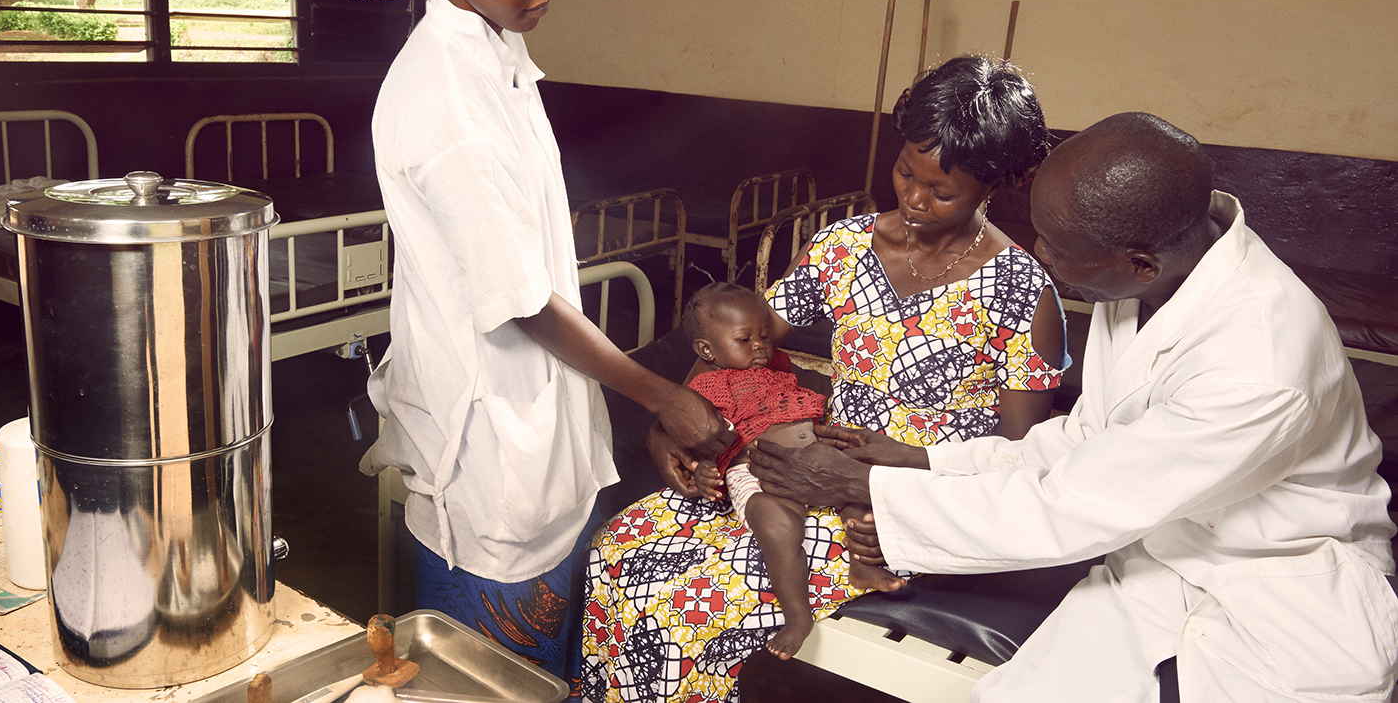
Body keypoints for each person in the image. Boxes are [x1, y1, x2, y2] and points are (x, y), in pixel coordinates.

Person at [749, 112, 1398, 703]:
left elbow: (1078, 503)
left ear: (1139, 261)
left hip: (1283, 592)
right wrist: (922, 459)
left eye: (1058, 246)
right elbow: (1086, 442)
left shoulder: (1260, 358)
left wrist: (872, 488)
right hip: (1156, 558)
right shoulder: (1145, 279)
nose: (1039, 255)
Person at [325, 0, 731, 680]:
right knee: (496, 680)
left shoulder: (496, 56)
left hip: (539, 445)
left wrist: (624, 419)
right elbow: (521, 299)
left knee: (545, 672)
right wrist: (663, 396)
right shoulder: (446, 102)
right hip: (488, 470)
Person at [581, 56, 1067, 703]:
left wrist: (889, 481)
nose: (914, 200)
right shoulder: (842, 248)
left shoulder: (1021, 293)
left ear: (992, 185)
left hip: (906, 511)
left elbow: (1021, 460)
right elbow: (741, 342)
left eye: (941, 190)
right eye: (905, 172)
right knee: (619, 550)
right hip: (806, 470)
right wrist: (674, 423)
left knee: (683, 606)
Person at [680, 282, 904, 661]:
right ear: (707, 351)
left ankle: (861, 566)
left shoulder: (774, 364)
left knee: (859, 492)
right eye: (744, 339)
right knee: (777, 526)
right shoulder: (706, 386)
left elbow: (803, 385)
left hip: (815, 456)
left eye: (764, 335)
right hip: (757, 468)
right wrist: (702, 469)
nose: (760, 346)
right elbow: (693, 435)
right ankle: (798, 615)